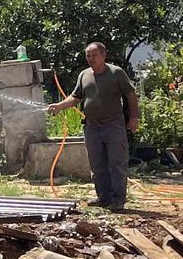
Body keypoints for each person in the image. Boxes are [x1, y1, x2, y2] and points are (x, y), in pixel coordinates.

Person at [47, 41, 140, 211]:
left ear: (104, 55)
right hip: (92, 126)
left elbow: (130, 95)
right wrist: (59, 106)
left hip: (113, 125)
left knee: (117, 163)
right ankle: (103, 197)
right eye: (88, 55)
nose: (91, 58)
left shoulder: (116, 73)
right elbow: (76, 97)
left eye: (94, 55)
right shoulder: (84, 75)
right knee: (97, 164)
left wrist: (134, 117)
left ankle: (118, 199)